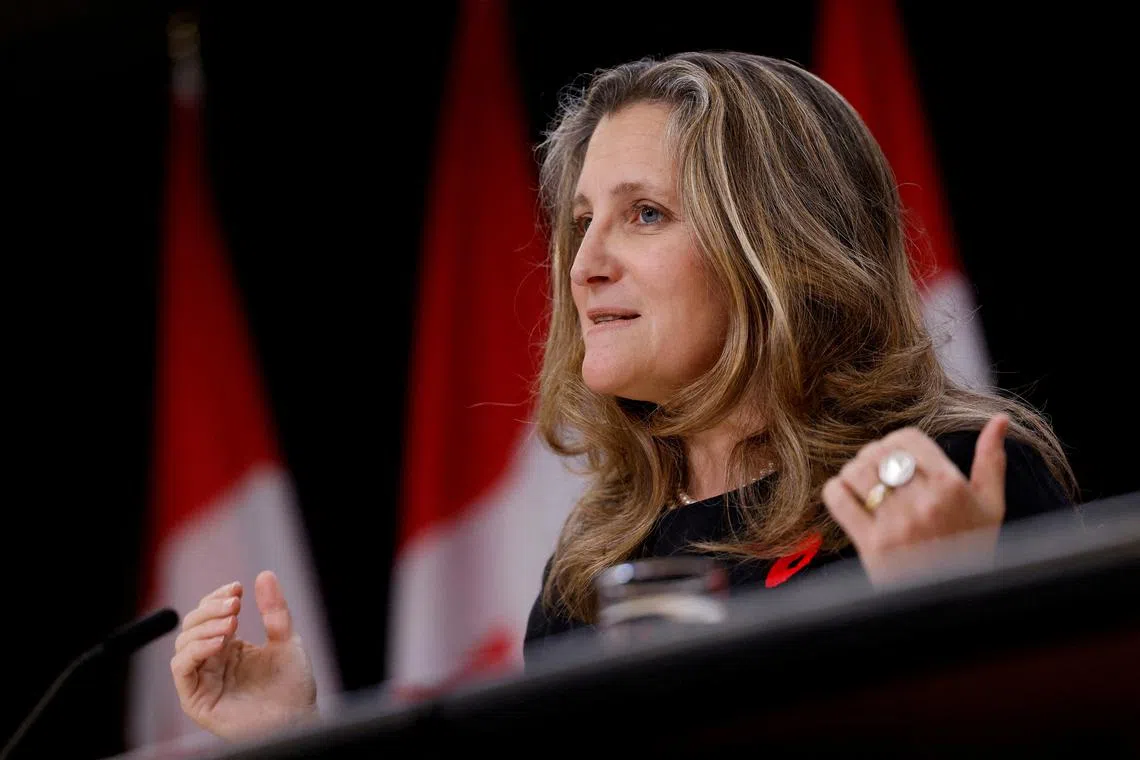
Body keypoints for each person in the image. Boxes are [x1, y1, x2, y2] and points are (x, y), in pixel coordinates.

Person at [169, 51, 1076, 739]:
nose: (584, 264)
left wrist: (946, 615)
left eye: (644, 214)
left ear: (781, 248)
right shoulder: (588, 579)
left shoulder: (952, 479)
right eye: (579, 222)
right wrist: (288, 739)